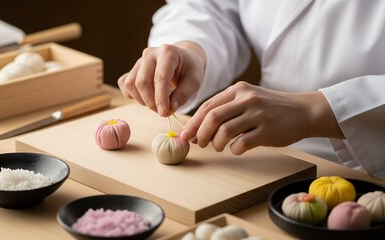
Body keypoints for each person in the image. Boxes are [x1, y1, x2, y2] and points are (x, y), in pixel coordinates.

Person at [117, 0, 385, 178]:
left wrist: (321, 110)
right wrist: (191, 48)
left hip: (370, 169)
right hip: (266, 164)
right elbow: (212, 7)